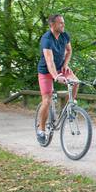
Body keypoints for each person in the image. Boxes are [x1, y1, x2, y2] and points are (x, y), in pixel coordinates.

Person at [36, 14, 79, 144]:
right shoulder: (46, 39)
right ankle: (41, 130)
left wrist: (65, 65)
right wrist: (56, 76)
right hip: (46, 72)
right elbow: (49, 61)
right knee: (47, 101)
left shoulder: (65, 35)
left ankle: (68, 109)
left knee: (75, 82)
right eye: (60, 23)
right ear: (52, 25)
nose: (63, 25)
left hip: (61, 68)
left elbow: (69, 51)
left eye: (63, 23)